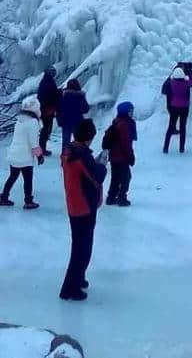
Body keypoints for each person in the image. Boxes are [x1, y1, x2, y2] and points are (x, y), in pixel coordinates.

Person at [60, 118, 107, 301]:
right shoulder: (81, 156)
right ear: (88, 137)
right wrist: (102, 164)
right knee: (82, 249)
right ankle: (69, 289)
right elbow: (96, 177)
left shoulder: (70, 151)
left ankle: (77, 279)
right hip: (84, 207)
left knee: (80, 246)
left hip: (75, 204)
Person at [0, 94, 43, 209]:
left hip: (14, 153)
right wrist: (39, 156)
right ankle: (28, 201)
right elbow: (34, 143)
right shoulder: (33, 122)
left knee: (13, 176)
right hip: (25, 156)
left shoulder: (19, 120)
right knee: (28, 179)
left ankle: (3, 196)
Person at [161, 62, 192, 154]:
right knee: (183, 127)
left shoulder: (171, 83)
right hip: (184, 108)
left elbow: (166, 88)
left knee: (170, 127)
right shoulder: (186, 83)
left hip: (173, 107)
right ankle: (181, 148)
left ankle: (165, 148)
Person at [104, 101, 137, 207]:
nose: (132, 113)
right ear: (126, 112)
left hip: (114, 156)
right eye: (130, 111)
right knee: (126, 177)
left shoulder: (117, 121)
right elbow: (126, 143)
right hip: (121, 156)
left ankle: (111, 197)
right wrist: (130, 156)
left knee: (115, 177)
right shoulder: (125, 125)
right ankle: (122, 198)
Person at [57, 79, 90, 150]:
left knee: (66, 140)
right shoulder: (80, 96)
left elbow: (59, 109)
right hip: (77, 121)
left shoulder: (64, 96)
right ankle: (76, 156)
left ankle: (65, 156)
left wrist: (60, 120)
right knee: (78, 140)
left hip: (66, 121)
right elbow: (86, 109)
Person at [37, 67, 61, 156]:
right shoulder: (48, 82)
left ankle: (42, 148)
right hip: (47, 109)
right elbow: (51, 95)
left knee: (46, 129)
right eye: (53, 72)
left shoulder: (45, 81)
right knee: (46, 129)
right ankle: (42, 149)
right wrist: (58, 93)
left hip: (44, 109)